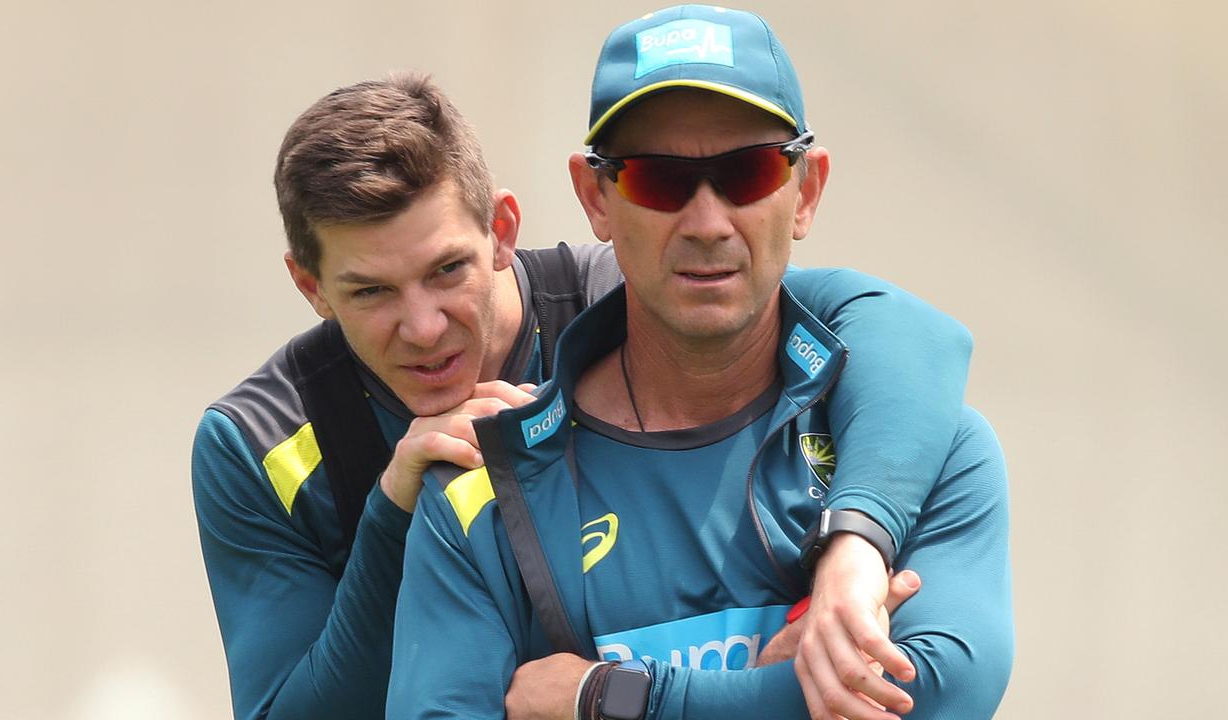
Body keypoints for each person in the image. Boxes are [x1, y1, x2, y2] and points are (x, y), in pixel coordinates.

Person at [194, 71, 976, 719]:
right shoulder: (259, 441)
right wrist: (394, 515)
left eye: (447, 271)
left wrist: (853, 552)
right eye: (370, 293)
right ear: (310, 286)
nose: (425, 327)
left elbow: (907, 334)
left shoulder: (626, 301)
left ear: (502, 230)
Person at [386, 6, 1014, 720]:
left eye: (746, 173)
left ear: (804, 192)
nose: (708, 223)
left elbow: (938, 693)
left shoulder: (925, 448)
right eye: (659, 181)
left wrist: (606, 697)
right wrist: (786, 691)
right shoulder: (484, 494)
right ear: (597, 197)